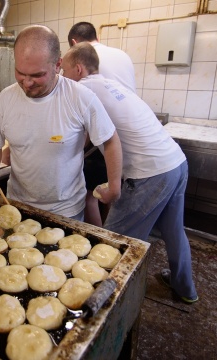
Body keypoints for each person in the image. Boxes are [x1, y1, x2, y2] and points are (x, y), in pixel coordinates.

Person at [61, 42, 198, 303]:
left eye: (64, 71)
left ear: (78, 69)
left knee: (113, 245)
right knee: (173, 231)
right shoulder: (109, 84)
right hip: (176, 162)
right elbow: (91, 133)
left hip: (149, 175)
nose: (63, 77)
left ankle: (105, 306)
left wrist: (113, 187)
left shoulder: (81, 89)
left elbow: (84, 135)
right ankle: (185, 289)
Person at [0, 25, 123, 221]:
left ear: (57, 65)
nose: (27, 83)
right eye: (21, 73)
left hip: (66, 210)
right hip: (17, 206)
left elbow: (110, 141)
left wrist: (115, 186)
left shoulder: (80, 97)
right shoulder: (6, 99)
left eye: (37, 75)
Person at [68, 21, 136, 226]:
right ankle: (105, 228)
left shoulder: (83, 61)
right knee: (105, 194)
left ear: (73, 42)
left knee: (89, 196)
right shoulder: (121, 55)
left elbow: (88, 115)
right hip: (128, 139)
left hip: (106, 140)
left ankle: (98, 239)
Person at [67, 21, 136, 93]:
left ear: (74, 43)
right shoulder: (123, 54)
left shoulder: (84, 59)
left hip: (107, 104)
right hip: (135, 102)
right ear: (97, 39)